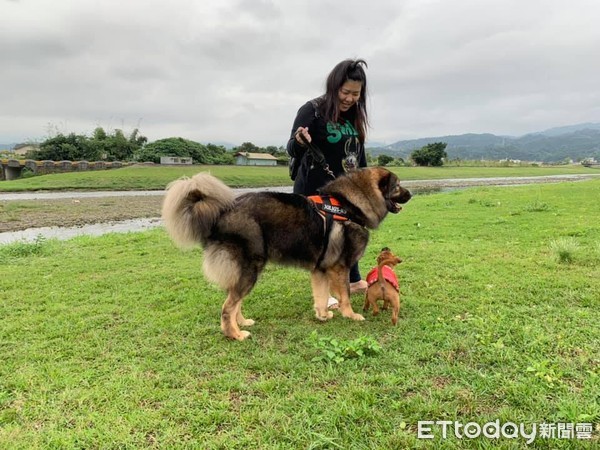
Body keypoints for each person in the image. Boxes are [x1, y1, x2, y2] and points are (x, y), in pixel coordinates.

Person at [286, 58, 370, 305]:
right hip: (316, 188)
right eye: (345, 92)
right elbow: (291, 148)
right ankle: (326, 293)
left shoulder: (355, 115)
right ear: (334, 87)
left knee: (350, 231)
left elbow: (359, 153)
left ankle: (353, 280)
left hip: (346, 188)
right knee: (324, 239)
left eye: (356, 94)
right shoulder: (312, 110)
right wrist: (300, 141)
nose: (349, 98)